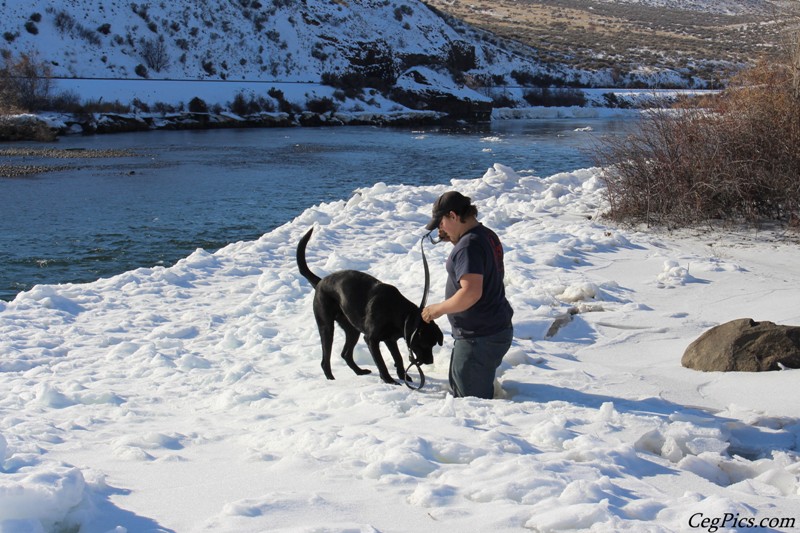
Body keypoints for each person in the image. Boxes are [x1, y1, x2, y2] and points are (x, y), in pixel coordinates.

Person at [421, 191, 514, 399]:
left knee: (471, 405)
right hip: (490, 330)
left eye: (441, 223)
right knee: (462, 387)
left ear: (453, 216)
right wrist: (456, 240)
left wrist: (437, 309)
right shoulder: (485, 235)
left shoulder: (469, 246)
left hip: (480, 337)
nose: (440, 229)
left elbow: (470, 293)